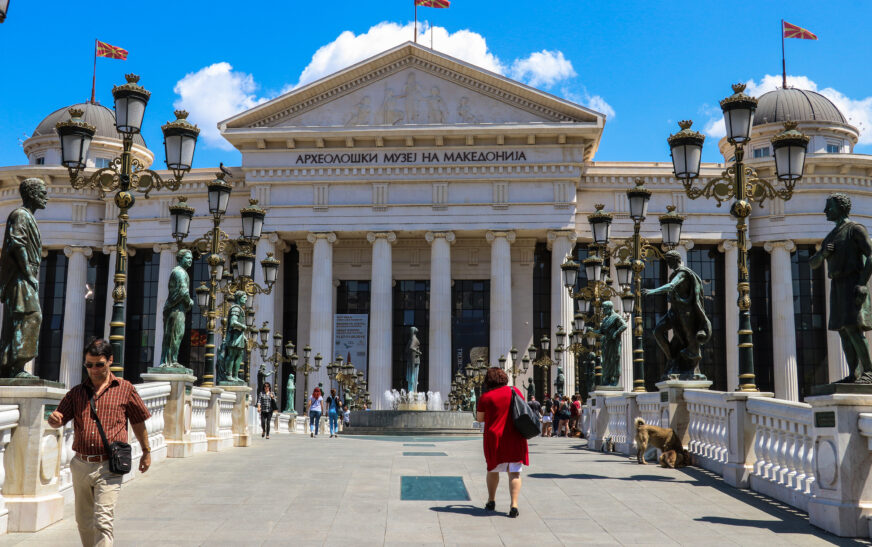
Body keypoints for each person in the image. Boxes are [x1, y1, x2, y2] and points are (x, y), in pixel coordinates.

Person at [47, 338, 151, 546]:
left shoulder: (125, 388)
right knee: (84, 522)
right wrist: (54, 420)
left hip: (109, 465)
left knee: (103, 520)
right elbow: (58, 418)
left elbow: (138, 421)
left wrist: (146, 451)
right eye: (89, 365)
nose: (94, 370)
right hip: (81, 464)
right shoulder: (76, 393)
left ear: (110, 360)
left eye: (99, 364)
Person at [810, 193, 872, 382]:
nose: (825, 211)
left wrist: (862, 283)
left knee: (853, 329)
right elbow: (813, 263)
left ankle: (869, 372)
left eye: (829, 207)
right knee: (843, 330)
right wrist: (823, 254)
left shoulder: (855, 229)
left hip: (852, 282)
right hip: (837, 284)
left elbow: (871, 255)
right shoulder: (832, 235)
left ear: (841, 208)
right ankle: (854, 374)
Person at [0, 178, 48, 378]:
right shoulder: (20, 215)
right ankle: (16, 366)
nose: (46, 197)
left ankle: (9, 366)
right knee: (30, 316)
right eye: (43, 193)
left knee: (18, 319)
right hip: (19, 276)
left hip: (23, 275)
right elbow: (17, 244)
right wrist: (28, 274)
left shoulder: (28, 217)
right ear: (32, 194)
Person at [642, 250, 712, 379]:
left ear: (675, 260)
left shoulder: (682, 273)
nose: (668, 264)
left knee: (688, 339)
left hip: (685, 312)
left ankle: (690, 363)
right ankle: (672, 358)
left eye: (669, 261)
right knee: (657, 331)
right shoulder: (677, 273)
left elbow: (671, 286)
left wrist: (652, 291)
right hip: (674, 311)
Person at [476, 367, 529, 518]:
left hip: (495, 438)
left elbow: (480, 419)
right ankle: (514, 505)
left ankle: (491, 500)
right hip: (515, 436)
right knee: (515, 473)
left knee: (493, 470)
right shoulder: (515, 391)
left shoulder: (486, 397)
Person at [159, 249, 193, 367]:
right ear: (180, 259)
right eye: (187, 258)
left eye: (191, 258)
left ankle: (170, 361)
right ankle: (170, 362)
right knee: (175, 335)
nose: (190, 260)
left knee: (174, 335)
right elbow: (183, 291)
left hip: (176, 308)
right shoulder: (180, 272)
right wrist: (189, 302)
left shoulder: (180, 272)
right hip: (176, 308)